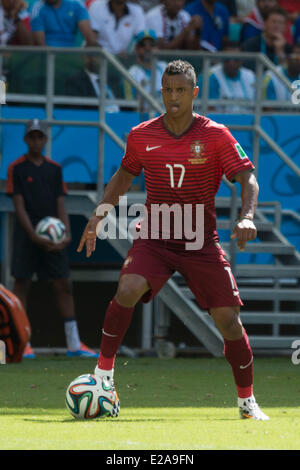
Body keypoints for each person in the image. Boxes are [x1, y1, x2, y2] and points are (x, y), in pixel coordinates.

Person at [77, 59, 269, 420]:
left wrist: (246, 217)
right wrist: (97, 216)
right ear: (161, 92)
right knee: (128, 287)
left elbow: (248, 178)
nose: (174, 97)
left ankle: (247, 401)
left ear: (194, 93)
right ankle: (103, 376)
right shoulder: (142, 135)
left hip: (200, 240)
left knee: (228, 321)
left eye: (181, 90)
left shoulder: (216, 135)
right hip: (156, 235)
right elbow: (123, 177)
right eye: (168, 90)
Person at [5, 119, 98, 358]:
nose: (36, 141)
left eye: (40, 137)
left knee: (64, 284)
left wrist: (66, 233)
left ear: (46, 139)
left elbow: (60, 203)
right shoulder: (17, 168)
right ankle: (22, 342)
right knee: (21, 285)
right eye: (32, 137)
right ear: (26, 139)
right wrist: (34, 235)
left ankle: (74, 344)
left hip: (54, 234)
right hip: (28, 236)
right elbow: (19, 205)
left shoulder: (54, 169)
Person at [197, 41, 256, 112]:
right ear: (221, 58)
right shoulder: (210, 76)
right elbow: (208, 113)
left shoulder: (250, 76)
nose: (231, 63)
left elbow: (258, 108)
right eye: (227, 59)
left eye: (236, 59)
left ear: (242, 60)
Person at [124, 30, 167, 112]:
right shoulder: (131, 73)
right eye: (143, 45)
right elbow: (130, 106)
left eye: (152, 45)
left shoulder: (166, 68)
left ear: (157, 48)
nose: (148, 48)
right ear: (136, 49)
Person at [30, 0, 98, 47]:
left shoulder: (76, 4)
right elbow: (40, 44)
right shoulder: (37, 8)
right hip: (48, 56)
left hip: (72, 53)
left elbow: (90, 38)